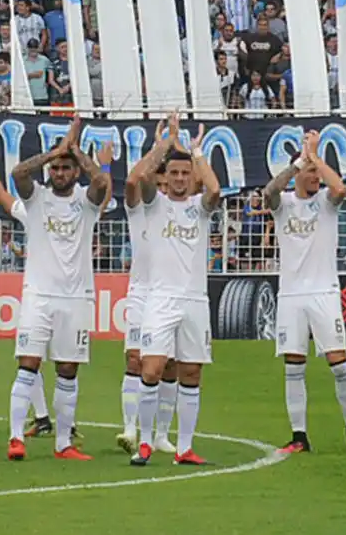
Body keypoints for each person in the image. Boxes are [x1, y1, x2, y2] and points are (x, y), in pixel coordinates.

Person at [5, 119, 113, 462]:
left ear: (75, 172)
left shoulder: (87, 201)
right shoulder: (36, 198)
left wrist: (76, 149)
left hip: (77, 297)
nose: (61, 172)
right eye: (56, 168)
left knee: (68, 370)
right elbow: (18, 173)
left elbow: (101, 181)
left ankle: (63, 443)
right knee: (28, 364)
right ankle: (16, 438)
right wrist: (54, 151)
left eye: (66, 168)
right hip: (38, 295)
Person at [262, 131, 346, 454]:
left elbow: (339, 188)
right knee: (294, 366)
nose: (313, 177)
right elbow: (269, 191)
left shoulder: (326, 202)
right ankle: (299, 437)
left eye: (316, 172)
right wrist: (299, 161)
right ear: (297, 173)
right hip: (291, 296)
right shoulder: (283, 204)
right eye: (308, 172)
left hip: (324, 292)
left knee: (339, 363)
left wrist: (317, 157)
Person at [129, 114, 221, 467]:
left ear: (192, 176)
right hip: (161, 299)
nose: (180, 178)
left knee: (192, 374)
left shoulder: (200, 208)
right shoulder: (155, 204)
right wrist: (164, 145)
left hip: (195, 300)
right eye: (174, 173)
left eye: (185, 173)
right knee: (150, 370)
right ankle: (146, 442)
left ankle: (184, 448)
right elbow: (137, 177)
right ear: (164, 178)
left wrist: (196, 152)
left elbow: (214, 190)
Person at [0, 135, 55, 440]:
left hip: (53, 294)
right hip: (48, 295)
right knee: (32, 359)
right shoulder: (36, 209)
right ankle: (47, 418)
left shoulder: (51, 209)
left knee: (42, 361)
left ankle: (56, 421)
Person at [117, 153, 178, 456]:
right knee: (135, 359)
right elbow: (131, 180)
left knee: (170, 365)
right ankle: (130, 428)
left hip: (172, 295)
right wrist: (159, 146)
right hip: (142, 292)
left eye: (169, 184)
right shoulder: (138, 211)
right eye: (160, 183)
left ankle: (162, 435)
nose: (165, 189)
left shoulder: (178, 212)